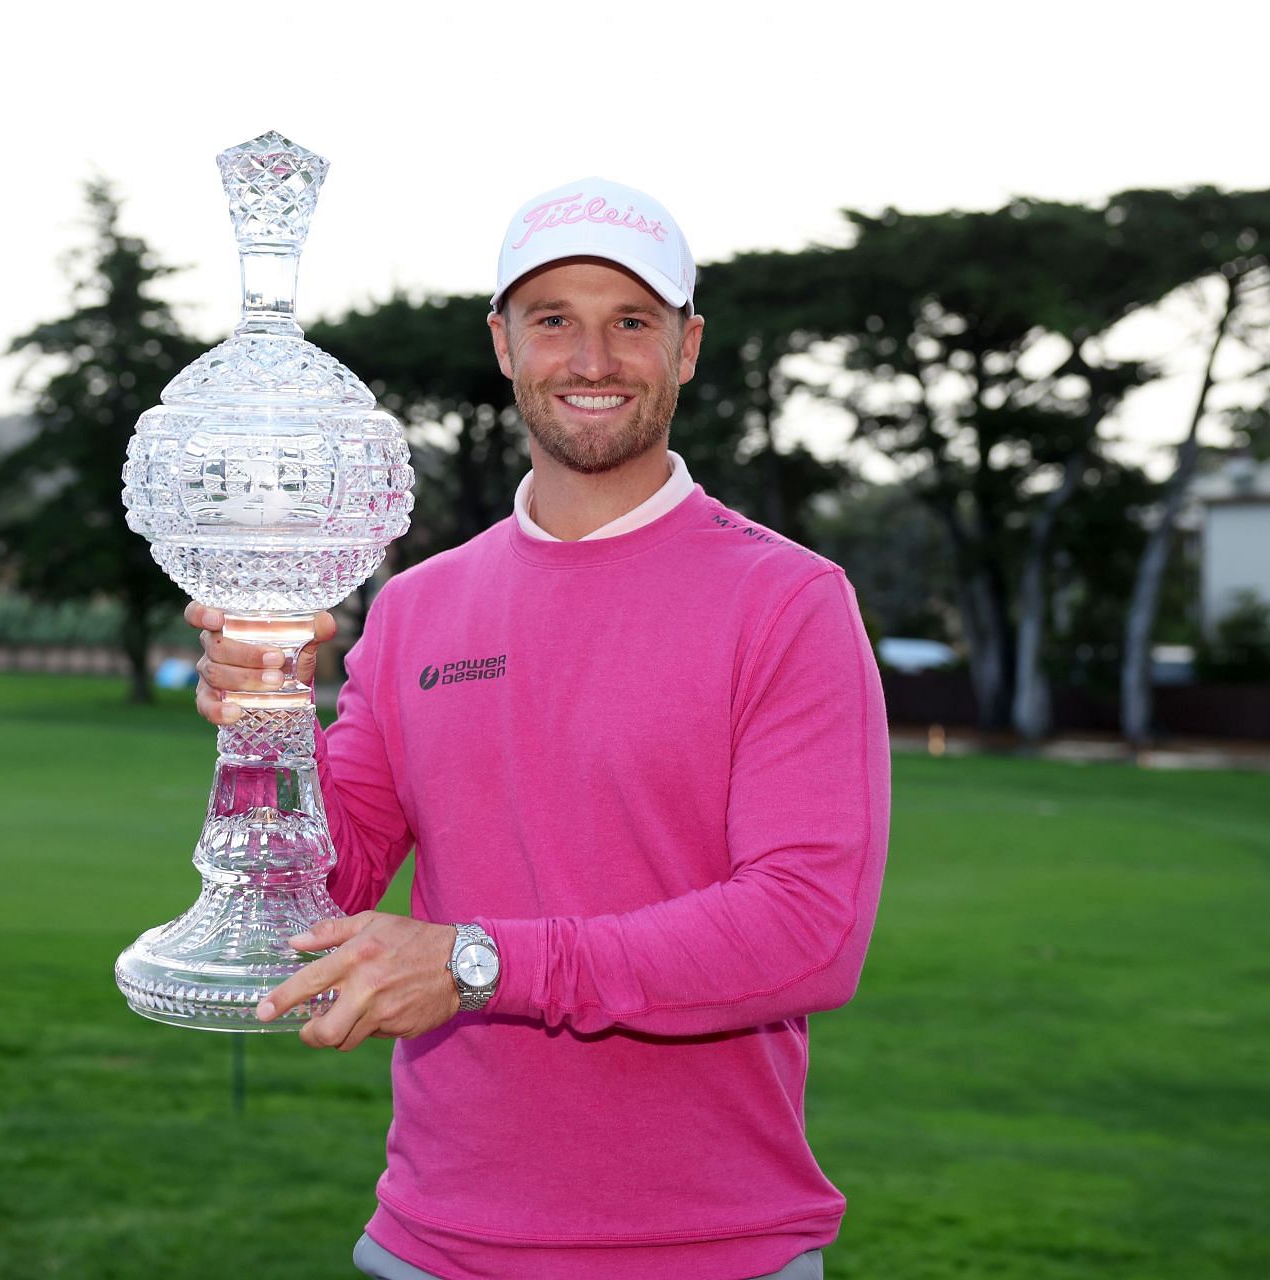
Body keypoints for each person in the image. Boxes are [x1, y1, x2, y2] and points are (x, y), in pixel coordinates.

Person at [186, 177, 890, 1280]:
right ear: (504, 344)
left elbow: (807, 929)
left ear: (688, 346)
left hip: (706, 1250)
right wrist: (268, 727)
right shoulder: (419, 604)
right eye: (554, 318)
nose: (593, 357)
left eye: (632, 322)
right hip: (432, 1242)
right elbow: (327, 887)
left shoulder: (787, 600)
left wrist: (477, 962)